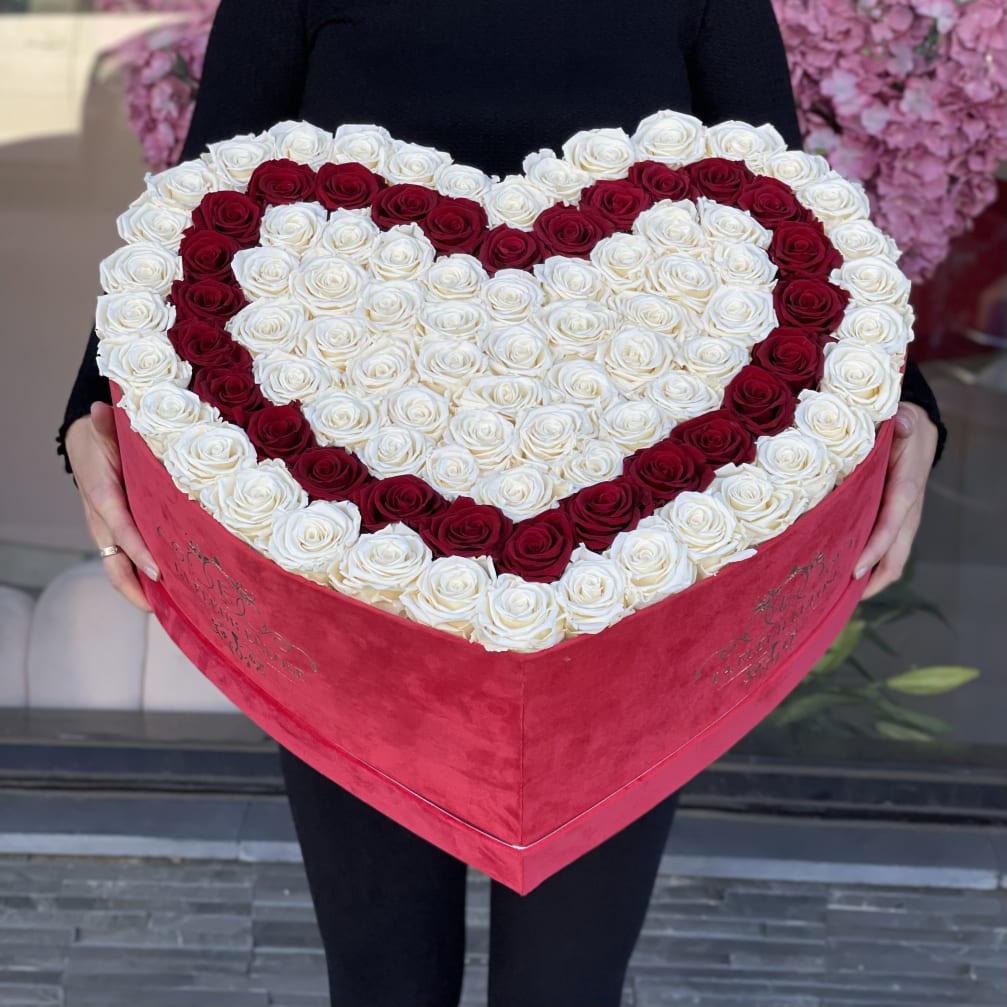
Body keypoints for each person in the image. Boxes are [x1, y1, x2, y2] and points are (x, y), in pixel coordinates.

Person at [58, 2, 947, 1004]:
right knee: (383, 979)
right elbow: (199, 216)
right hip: (350, 573)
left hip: (622, 588)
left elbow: (795, 231)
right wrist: (90, 411)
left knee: (567, 986)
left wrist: (904, 407)